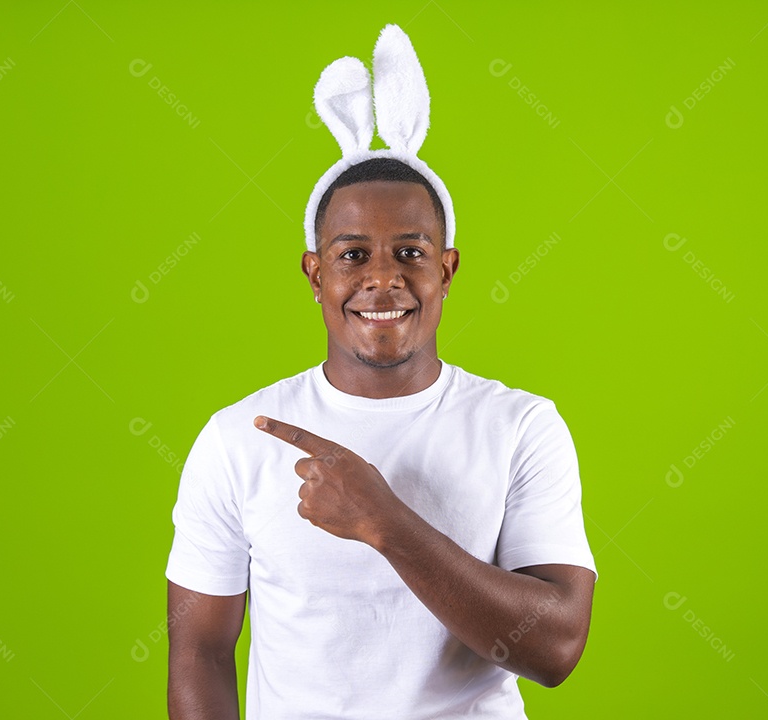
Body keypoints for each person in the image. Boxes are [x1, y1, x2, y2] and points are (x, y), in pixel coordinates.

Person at [165, 24, 597, 720]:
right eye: (353, 255)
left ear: (447, 269)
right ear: (314, 273)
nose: (384, 279)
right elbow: (199, 655)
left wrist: (384, 521)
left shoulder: (522, 427)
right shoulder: (235, 439)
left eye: (410, 252)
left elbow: (555, 648)